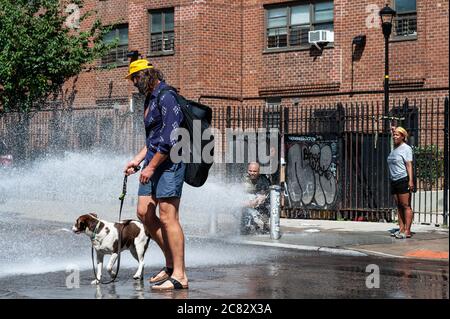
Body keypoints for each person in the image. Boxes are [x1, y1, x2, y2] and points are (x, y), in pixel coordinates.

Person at [124, 59, 188, 290]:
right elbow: (153, 138)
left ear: (145, 75)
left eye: (134, 78)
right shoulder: (150, 99)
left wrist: (151, 166)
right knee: (143, 212)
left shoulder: (166, 96)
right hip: (152, 162)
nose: (133, 83)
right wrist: (138, 160)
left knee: (168, 216)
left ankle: (180, 275)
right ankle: (170, 264)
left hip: (169, 163)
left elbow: (171, 137)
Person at [387, 126, 415, 239]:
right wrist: (393, 128)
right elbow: (393, 131)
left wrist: (411, 181)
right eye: (394, 135)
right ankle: (401, 229)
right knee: (398, 206)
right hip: (394, 180)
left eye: (397, 135)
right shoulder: (395, 149)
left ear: (403, 137)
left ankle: (407, 231)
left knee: (406, 205)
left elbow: (409, 165)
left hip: (403, 179)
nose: (394, 136)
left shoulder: (406, 148)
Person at [241, 162, 271, 234]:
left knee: (268, 204)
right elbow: (238, 196)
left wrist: (256, 201)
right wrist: (246, 203)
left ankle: (264, 225)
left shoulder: (263, 180)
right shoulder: (243, 179)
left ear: (259, 171)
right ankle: (246, 225)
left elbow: (263, 196)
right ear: (247, 170)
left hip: (258, 203)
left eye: (254, 171)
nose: (252, 173)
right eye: (250, 171)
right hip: (246, 204)